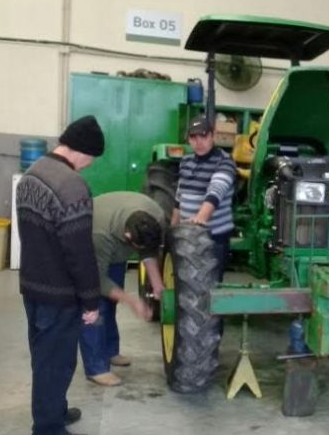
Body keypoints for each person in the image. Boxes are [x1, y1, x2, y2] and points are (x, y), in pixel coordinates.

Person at [16, 115, 104, 435]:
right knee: (56, 362)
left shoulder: (31, 173)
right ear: (82, 151)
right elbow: (79, 252)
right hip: (59, 293)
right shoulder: (72, 185)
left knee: (44, 355)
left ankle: (56, 409)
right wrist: (91, 301)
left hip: (33, 285)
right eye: (91, 159)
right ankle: (48, 427)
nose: (89, 165)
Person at [80, 191, 166, 387]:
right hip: (91, 252)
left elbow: (149, 251)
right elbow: (97, 280)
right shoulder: (99, 234)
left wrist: (158, 284)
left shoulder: (156, 216)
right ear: (128, 236)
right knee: (94, 308)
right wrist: (132, 301)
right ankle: (96, 368)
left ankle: (110, 351)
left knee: (111, 301)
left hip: (116, 254)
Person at [171, 114, 236, 278]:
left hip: (213, 237)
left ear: (213, 135)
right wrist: (173, 229)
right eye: (193, 137)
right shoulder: (186, 161)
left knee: (210, 285)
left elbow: (216, 191)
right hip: (187, 235)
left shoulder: (225, 161)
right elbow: (179, 197)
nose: (198, 142)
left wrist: (201, 218)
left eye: (203, 136)